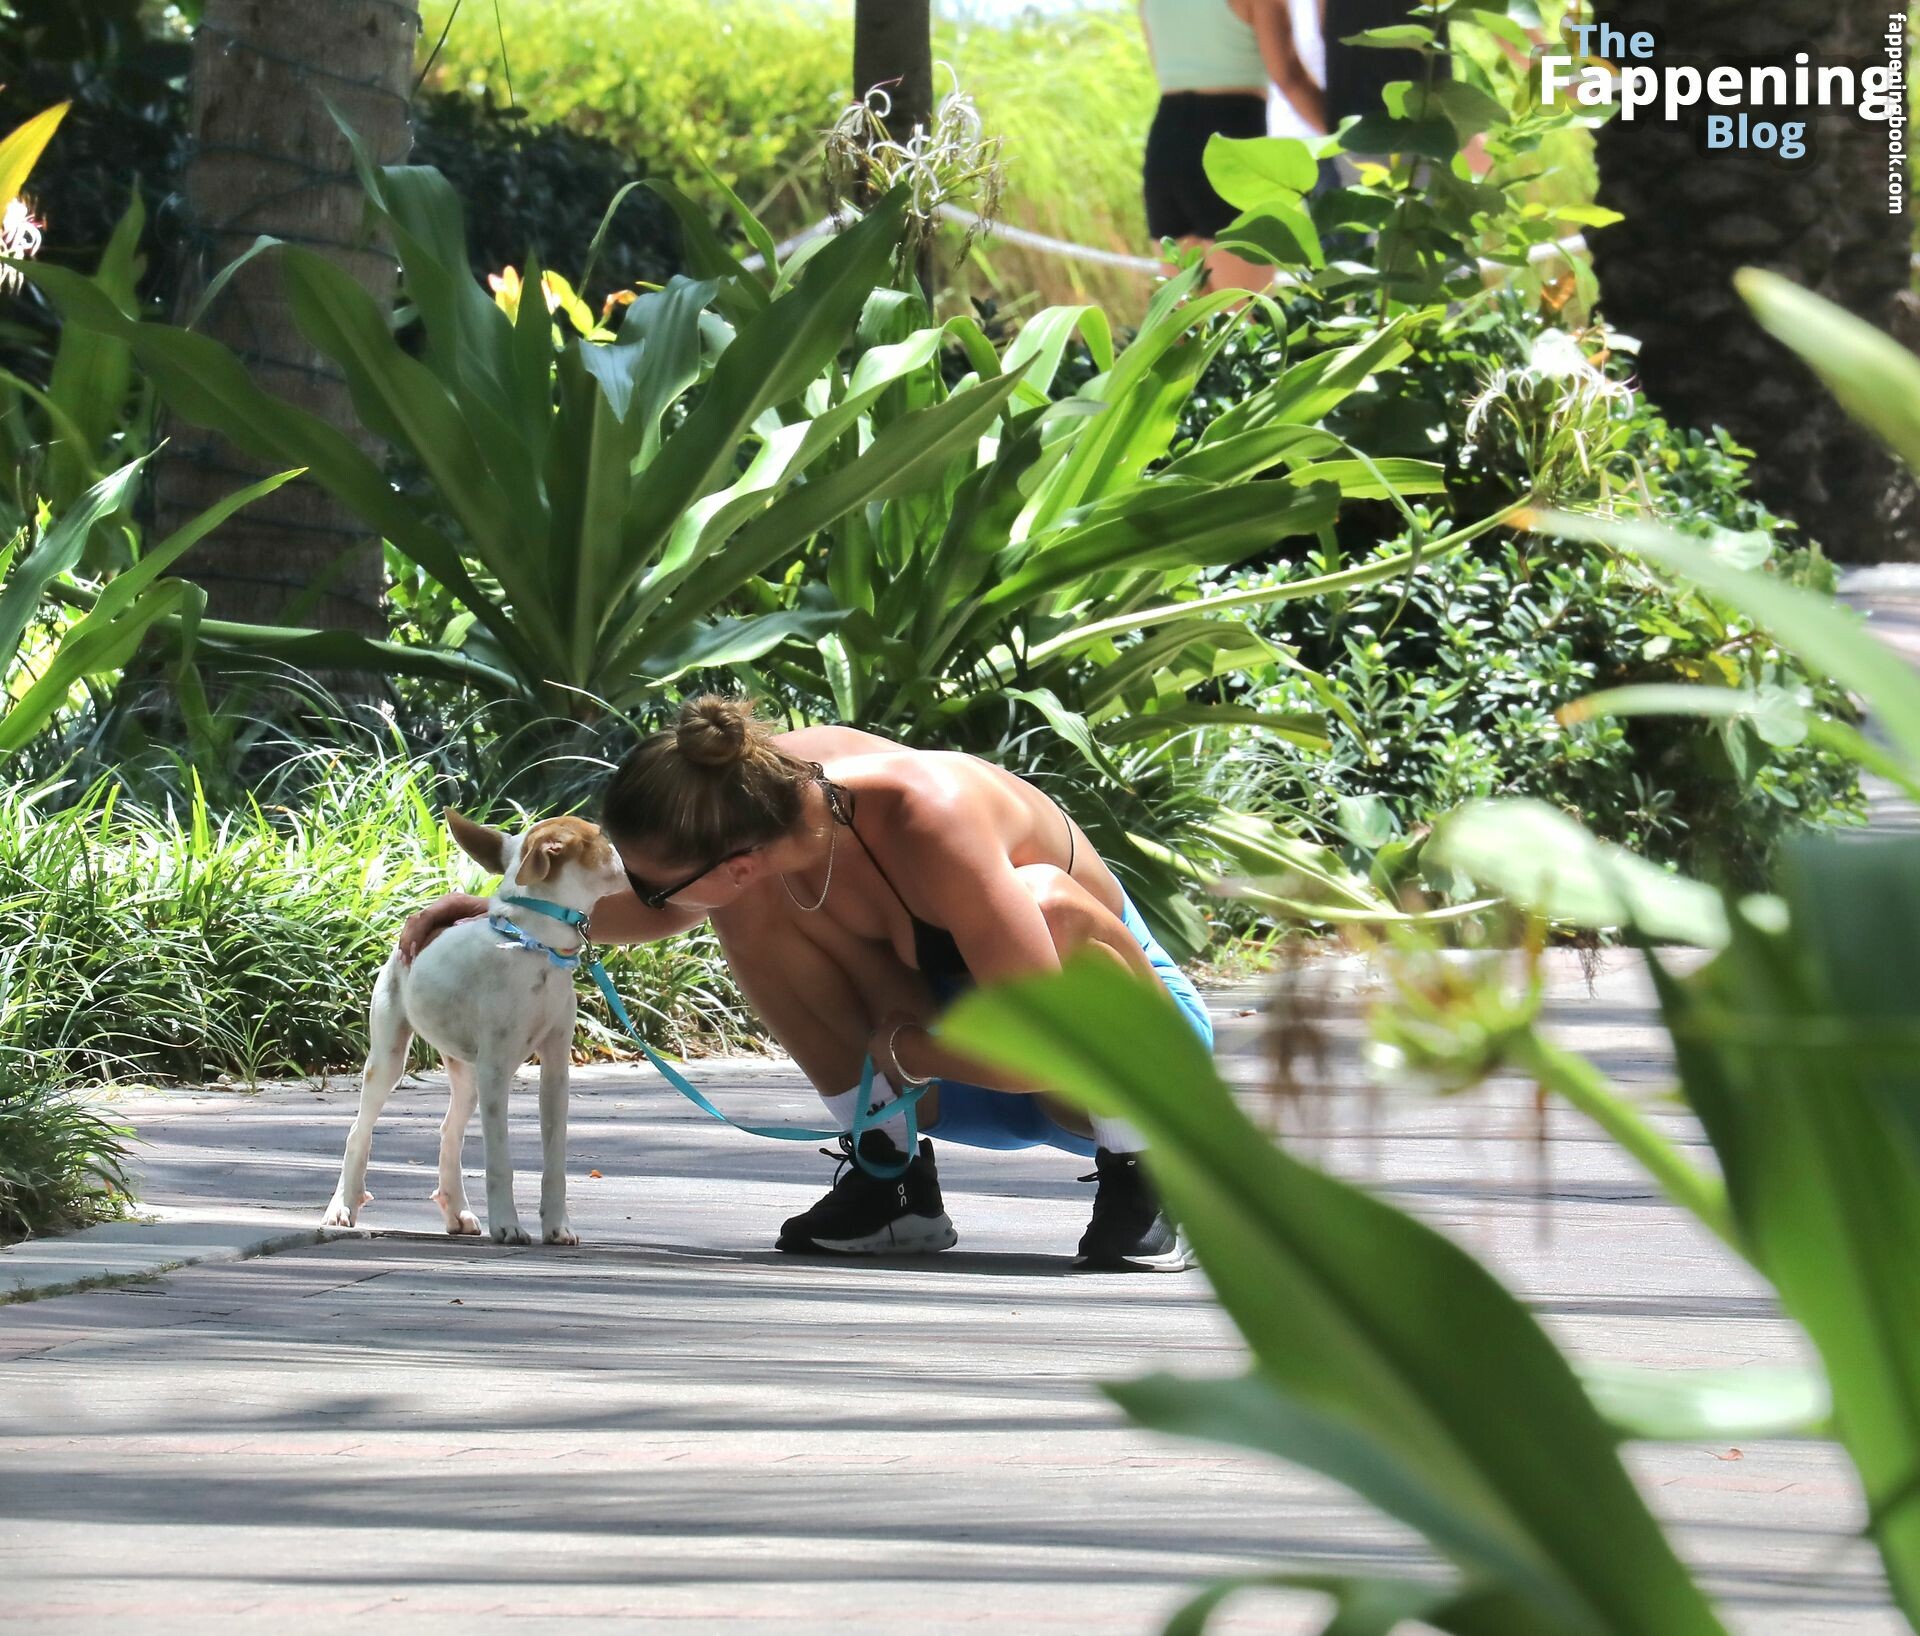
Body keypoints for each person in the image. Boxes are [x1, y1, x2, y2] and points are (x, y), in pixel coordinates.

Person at [398, 698, 1216, 1270]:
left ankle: (1147, 1176)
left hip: (1100, 1059)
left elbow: (1042, 1047)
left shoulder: (930, 814)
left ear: (734, 861)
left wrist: (908, 1049)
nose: (634, 897)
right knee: (748, 910)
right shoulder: (748, 801)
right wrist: (506, 914)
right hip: (952, 1063)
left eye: (644, 883)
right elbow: (660, 903)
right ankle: (891, 1181)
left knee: (1048, 903)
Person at [1138, 0, 1324, 292]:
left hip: (1165, 145)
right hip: (1233, 143)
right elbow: (1289, 77)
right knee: (1249, 312)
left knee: (1188, 314)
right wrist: (1348, 135)